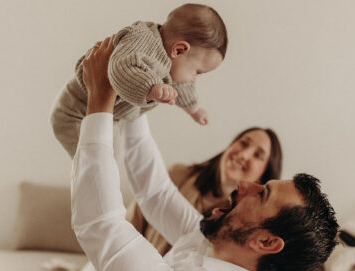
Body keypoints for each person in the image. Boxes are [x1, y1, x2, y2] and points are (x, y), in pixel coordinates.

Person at [71, 38, 339, 271]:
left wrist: (100, 100)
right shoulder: (213, 241)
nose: (247, 185)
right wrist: (133, 90)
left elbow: (101, 224)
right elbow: (154, 192)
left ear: (266, 242)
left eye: (262, 194)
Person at [51, 3, 228, 157]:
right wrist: (151, 87)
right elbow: (122, 68)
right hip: (73, 113)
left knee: (112, 154)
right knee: (93, 160)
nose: (193, 79)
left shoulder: (168, 61)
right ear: (179, 50)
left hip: (104, 117)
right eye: (197, 71)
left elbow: (181, 85)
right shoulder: (142, 41)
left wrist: (194, 109)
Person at [126, 124, 282, 256]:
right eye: (243, 143)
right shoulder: (178, 175)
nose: (244, 154)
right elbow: (129, 226)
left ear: (263, 177)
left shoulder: (240, 226)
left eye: (257, 155)